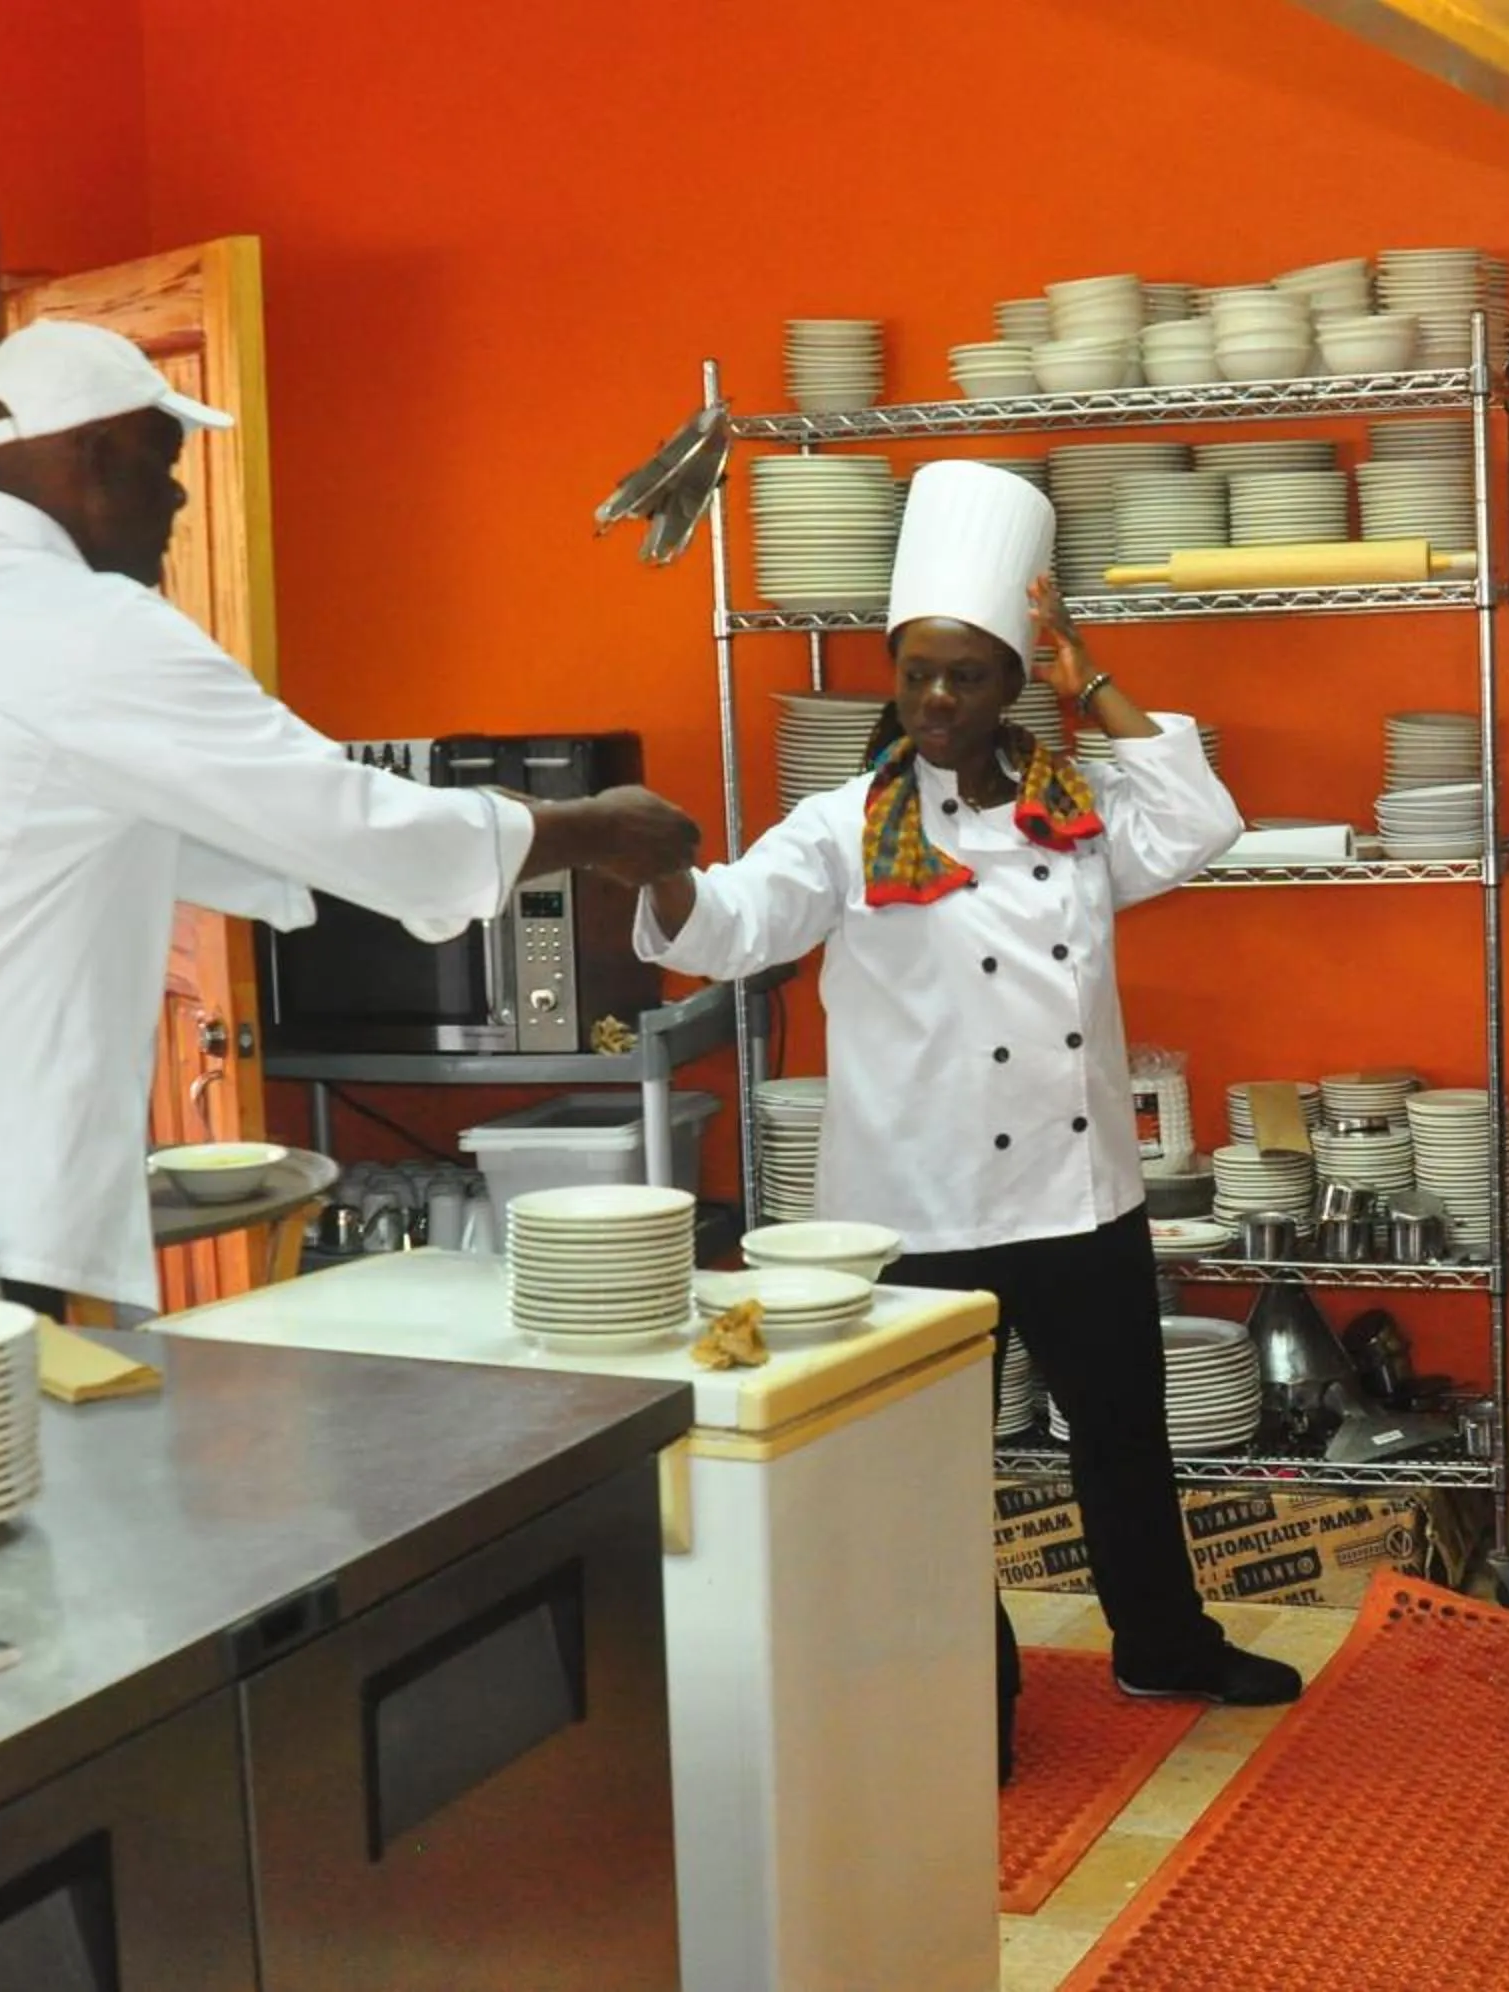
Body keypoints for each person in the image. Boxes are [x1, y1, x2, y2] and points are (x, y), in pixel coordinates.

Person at [0, 320, 699, 1313]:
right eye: (163, 459)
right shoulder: (82, 630)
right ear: (93, 454)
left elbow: (243, 837)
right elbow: (348, 823)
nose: (179, 494)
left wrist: (496, 820)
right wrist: (597, 827)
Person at [633, 459, 1301, 1784]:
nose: (935, 703)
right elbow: (730, 924)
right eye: (917, 672)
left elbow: (1205, 814)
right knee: (929, 1478)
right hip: (918, 1213)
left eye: (969, 676)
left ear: (1014, 684)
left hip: (1078, 1197)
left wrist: (1088, 671)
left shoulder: (1080, 809)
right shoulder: (844, 829)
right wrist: (652, 866)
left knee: (1121, 1439)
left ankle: (1162, 1642)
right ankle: (962, 1686)